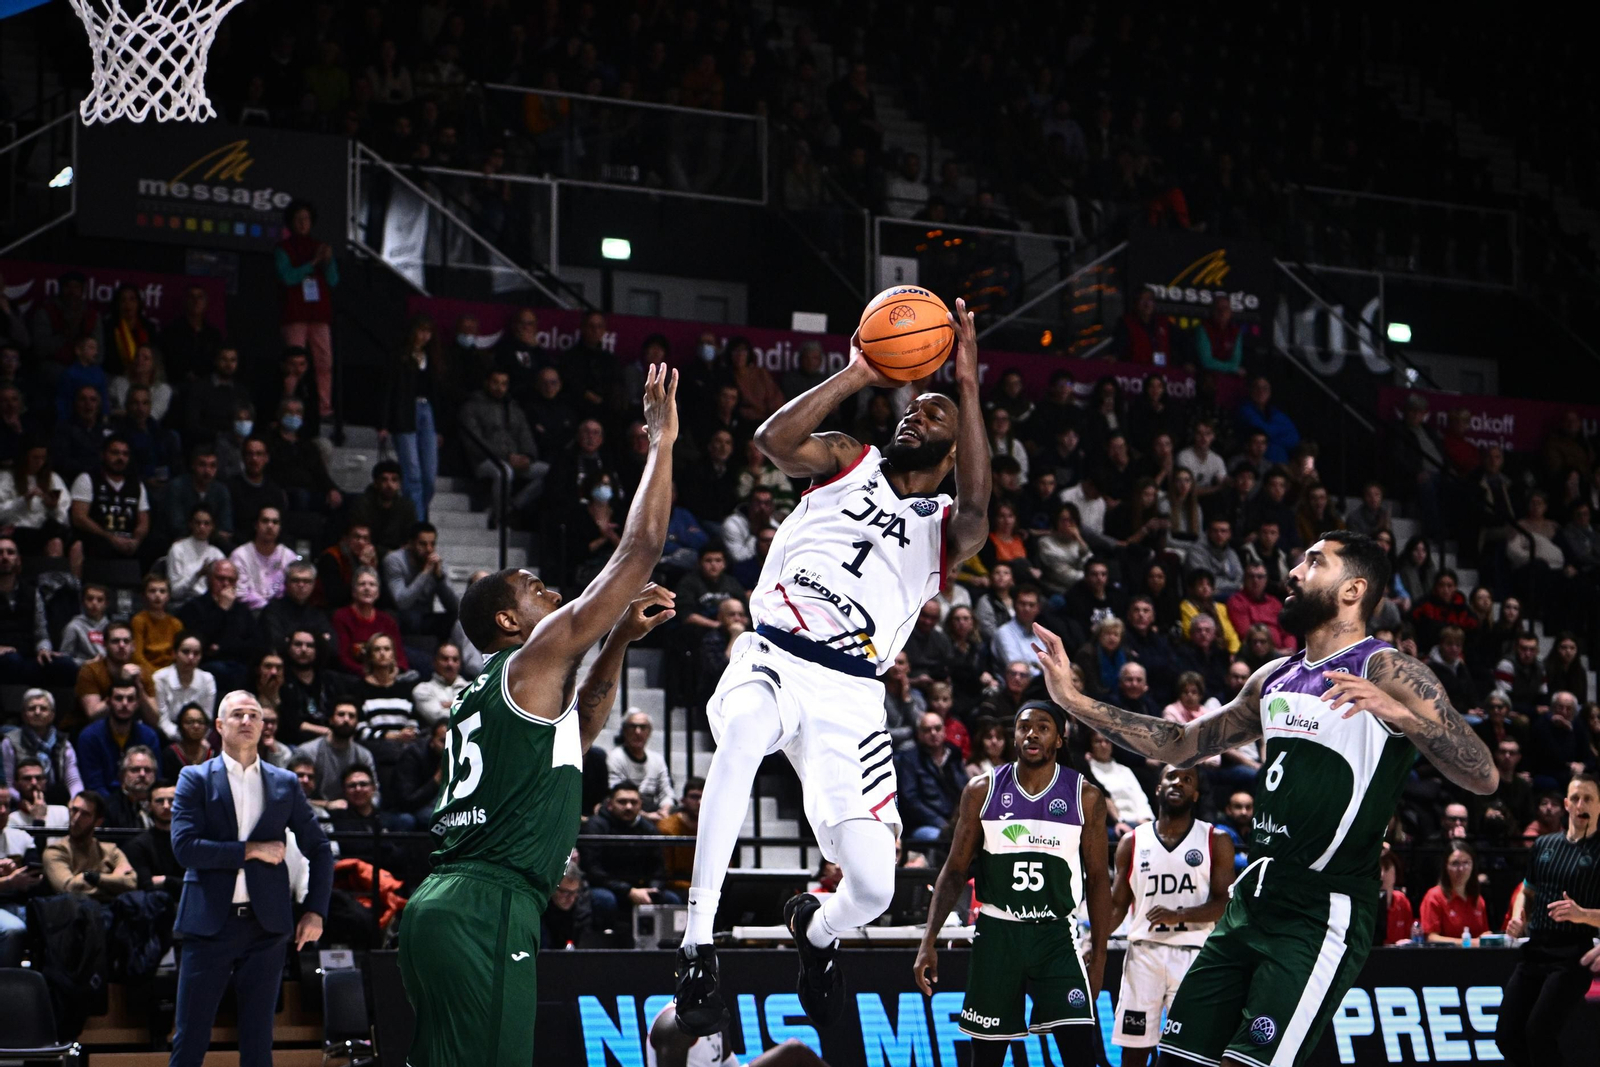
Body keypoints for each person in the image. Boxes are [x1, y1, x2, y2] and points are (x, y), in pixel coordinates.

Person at [1031, 529, 1497, 1067]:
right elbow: (1180, 744)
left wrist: (1404, 717)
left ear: (1353, 590)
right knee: (1175, 1058)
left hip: (1324, 908)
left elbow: (1483, 774)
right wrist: (1071, 698)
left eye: (1314, 562)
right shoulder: (1275, 676)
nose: (1295, 572)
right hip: (1255, 897)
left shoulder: (1387, 670)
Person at [677, 304, 990, 1035]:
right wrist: (856, 372)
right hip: (777, 653)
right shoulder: (851, 457)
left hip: (852, 695)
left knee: (876, 884)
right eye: (915, 407)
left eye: (935, 416)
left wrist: (968, 385)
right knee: (747, 729)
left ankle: (815, 932)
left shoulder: (940, 528)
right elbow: (773, 439)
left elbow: (977, 509)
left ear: (953, 450)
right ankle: (697, 940)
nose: (917, 416)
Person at [398, 363, 680, 1066]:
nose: (547, 589)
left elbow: (582, 725)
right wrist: (662, 442)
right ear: (506, 619)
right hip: (486, 904)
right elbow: (638, 550)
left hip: (445, 902)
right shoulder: (529, 658)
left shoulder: (496, 690)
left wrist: (617, 637)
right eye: (531, 588)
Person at [913, 702, 1110, 1067]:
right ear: (1014, 735)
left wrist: (1099, 957)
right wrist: (929, 940)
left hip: (1056, 936)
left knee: (1080, 1051)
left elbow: (1099, 880)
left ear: (1060, 739)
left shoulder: (1085, 796)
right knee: (985, 1056)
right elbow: (954, 870)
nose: (1031, 733)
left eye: (1042, 727)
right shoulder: (981, 790)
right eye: (1023, 727)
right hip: (996, 934)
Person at [167, 691, 333, 1067]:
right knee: (191, 1037)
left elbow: (320, 849)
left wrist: (315, 911)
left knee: (259, 1044)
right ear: (219, 726)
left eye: (254, 715)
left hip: (266, 926)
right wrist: (251, 850)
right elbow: (185, 849)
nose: (246, 721)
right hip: (209, 923)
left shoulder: (285, 782)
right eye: (237, 714)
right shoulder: (194, 778)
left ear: (263, 726)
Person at [1110, 765, 1235, 1066]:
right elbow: (1116, 905)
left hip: (1195, 957)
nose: (1178, 782)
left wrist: (1177, 914)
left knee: (1186, 1053)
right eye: (1171, 777)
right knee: (1134, 1052)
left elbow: (1224, 904)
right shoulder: (1133, 841)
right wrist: (1093, 941)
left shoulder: (1215, 840)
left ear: (1195, 794)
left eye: (1187, 779)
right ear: (1157, 788)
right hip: (1143, 956)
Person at [1498, 774, 1600, 1065]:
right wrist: (1519, 916)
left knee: (1539, 1033)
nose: (1581, 804)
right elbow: (1526, 892)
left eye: (1589, 799)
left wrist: (1582, 915)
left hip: (1573, 954)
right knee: (1506, 1036)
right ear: (1566, 804)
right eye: (1576, 798)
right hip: (1535, 949)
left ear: (1599, 806)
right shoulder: (1544, 845)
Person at [275, 200, 339, 417]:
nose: (303, 223)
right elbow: (287, 277)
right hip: (295, 315)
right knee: (294, 363)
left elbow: (333, 281)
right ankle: (289, 405)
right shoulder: (283, 248)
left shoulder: (320, 246)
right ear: (291, 223)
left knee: (324, 362)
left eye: (306, 219)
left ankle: (324, 407)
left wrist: (328, 262)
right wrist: (312, 263)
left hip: (319, 314)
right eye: (298, 219)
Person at [43, 790, 138, 902]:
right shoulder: (56, 851)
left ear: (98, 822)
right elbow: (68, 888)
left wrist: (91, 877)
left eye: (85, 814)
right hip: (76, 914)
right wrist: (113, 881)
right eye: (74, 810)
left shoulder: (110, 850)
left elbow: (131, 882)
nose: (76, 818)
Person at [76, 678, 162, 795]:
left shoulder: (149, 736)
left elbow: (155, 778)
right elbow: (93, 784)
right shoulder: (90, 737)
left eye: (130, 699)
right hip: (104, 805)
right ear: (108, 701)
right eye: (119, 698)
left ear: (137, 704)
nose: (125, 704)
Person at [69, 434, 149, 560]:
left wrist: (136, 540)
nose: (120, 458)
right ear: (103, 455)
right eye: (115, 453)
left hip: (127, 540)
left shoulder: (136, 484)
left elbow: (143, 521)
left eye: (125, 454)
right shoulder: (87, 479)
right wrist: (110, 538)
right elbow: (79, 517)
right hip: (97, 538)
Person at [895, 711, 969, 845]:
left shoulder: (954, 755)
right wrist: (941, 824)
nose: (933, 733)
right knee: (943, 838)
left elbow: (965, 790)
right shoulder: (909, 760)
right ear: (919, 734)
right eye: (927, 730)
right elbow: (911, 801)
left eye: (937, 728)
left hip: (956, 822)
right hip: (925, 825)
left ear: (944, 731)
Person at [1, 690, 83, 804]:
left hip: (56, 801)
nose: (37, 712)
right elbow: (7, 783)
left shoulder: (64, 743)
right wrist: (23, 802)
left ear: (52, 715)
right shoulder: (9, 742)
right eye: (31, 708)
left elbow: (73, 780)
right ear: (24, 715)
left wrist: (75, 800)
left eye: (43, 709)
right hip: (20, 802)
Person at [382, 522, 460, 640]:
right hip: (400, 617)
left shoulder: (436, 563)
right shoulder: (394, 560)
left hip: (425, 617)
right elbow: (402, 602)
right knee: (396, 617)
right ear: (411, 544)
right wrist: (425, 573)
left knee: (459, 620)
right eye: (423, 544)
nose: (429, 549)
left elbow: (454, 607)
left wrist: (440, 579)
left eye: (432, 544)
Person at [292, 701, 377, 803]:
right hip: (316, 811)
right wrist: (327, 805)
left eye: (351, 716)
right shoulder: (307, 751)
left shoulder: (364, 755)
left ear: (357, 723)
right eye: (341, 715)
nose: (346, 719)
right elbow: (294, 795)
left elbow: (375, 793)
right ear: (331, 720)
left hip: (352, 812)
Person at [331, 567, 406, 674]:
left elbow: (400, 657)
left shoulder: (387, 620)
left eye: (372, 585)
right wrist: (372, 674)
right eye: (362, 584)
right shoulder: (341, 617)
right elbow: (343, 659)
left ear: (378, 593)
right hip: (356, 677)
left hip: (386, 676)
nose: (367, 588)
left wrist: (395, 670)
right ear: (354, 592)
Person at [607, 709, 677, 820]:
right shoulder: (615, 757)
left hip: (654, 810)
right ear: (624, 731)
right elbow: (619, 795)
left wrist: (664, 810)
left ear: (649, 732)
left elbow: (667, 793)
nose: (638, 732)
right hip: (627, 811)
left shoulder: (657, 759)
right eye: (632, 727)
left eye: (643, 727)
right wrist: (647, 816)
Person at [229, 507, 299, 611]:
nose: (270, 526)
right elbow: (240, 592)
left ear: (280, 528)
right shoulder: (240, 555)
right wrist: (266, 607)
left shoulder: (289, 557)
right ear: (256, 525)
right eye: (265, 521)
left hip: (280, 613)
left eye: (275, 522)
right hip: (247, 612)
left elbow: (292, 591)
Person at [1419, 841, 1490, 943]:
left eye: (1466, 863)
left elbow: (1483, 934)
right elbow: (1431, 938)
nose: (1461, 869)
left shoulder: (1478, 899)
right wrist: (1469, 943)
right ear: (1445, 867)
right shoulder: (1434, 896)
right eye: (1455, 863)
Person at [347, 461, 417, 555]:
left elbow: (410, 537)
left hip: (397, 556)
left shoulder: (407, 506)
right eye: (384, 480)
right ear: (376, 483)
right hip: (366, 552)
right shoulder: (362, 504)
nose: (389, 485)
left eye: (394, 480)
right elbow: (359, 538)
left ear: (399, 484)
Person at [125, 781, 184, 892]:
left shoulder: (192, 842)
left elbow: (202, 883)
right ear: (149, 805)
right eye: (159, 801)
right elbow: (145, 885)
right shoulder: (137, 845)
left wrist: (166, 880)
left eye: (172, 800)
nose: (166, 806)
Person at [154, 633, 217, 738]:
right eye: (185, 652)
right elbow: (163, 721)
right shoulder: (160, 678)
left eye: (196, 653)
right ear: (174, 653)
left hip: (198, 735)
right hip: (168, 736)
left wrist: (197, 737)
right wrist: (185, 739)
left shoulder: (208, 679)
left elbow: (207, 718)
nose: (191, 657)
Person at [132, 573, 182, 673]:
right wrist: (155, 673)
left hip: (170, 672)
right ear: (144, 595)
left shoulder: (175, 623)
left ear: (168, 596)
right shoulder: (139, 620)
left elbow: (179, 654)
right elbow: (137, 656)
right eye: (152, 591)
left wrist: (168, 674)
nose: (157, 595)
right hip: (146, 671)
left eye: (162, 591)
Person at [411, 643, 468, 726]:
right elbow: (438, 718)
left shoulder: (474, 688)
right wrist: (466, 706)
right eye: (445, 659)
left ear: (460, 663)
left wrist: (452, 704)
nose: (450, 664)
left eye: (455, 659)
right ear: (435, 662)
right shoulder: (422, 690)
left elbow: (485, 715)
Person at [103, 744, 157, 829]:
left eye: (147, 770)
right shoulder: (108, 808)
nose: (142, 774)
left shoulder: (163, 804)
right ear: (123, 775)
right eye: (135, 770)